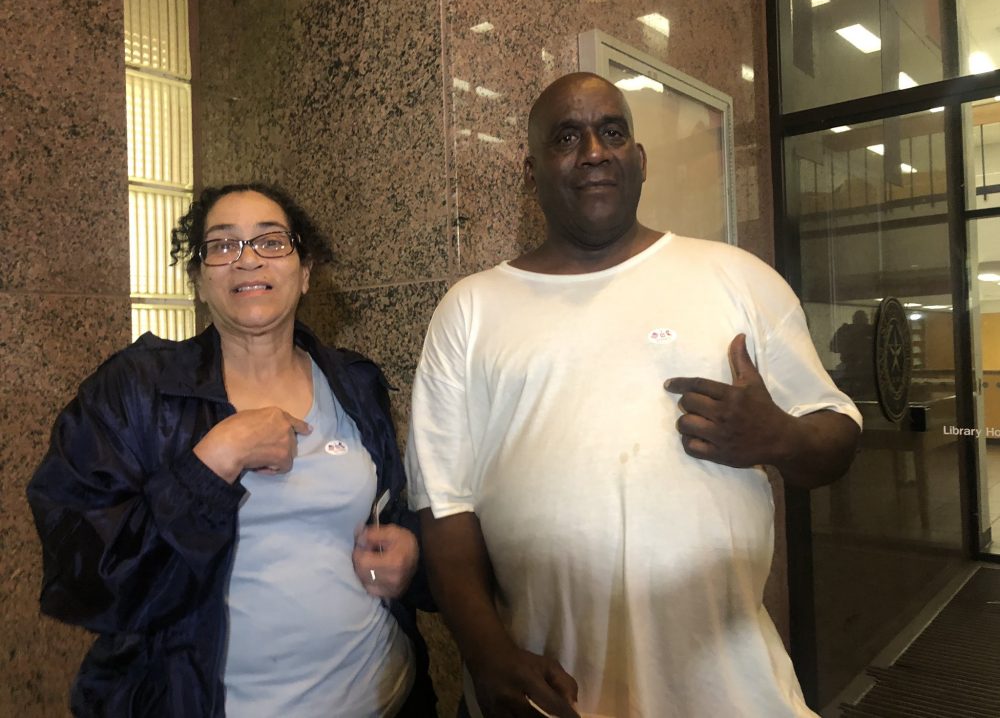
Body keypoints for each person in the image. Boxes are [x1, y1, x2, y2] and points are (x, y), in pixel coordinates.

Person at [405, 73, 862, 718]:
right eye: (568, 137)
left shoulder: (735, 277)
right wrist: (486, 653)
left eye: (611, 132)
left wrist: (778, 437)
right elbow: (444, 509)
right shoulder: (470, 309)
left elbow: (838, 434)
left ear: (639, 160)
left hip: (727, 690)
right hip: (551, 691)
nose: (594, 150)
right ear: (531, 170)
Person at [27, 183, 437, 717]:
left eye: (271, 241)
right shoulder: (134, 391)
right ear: (199, 279)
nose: (246, 260)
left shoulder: (354, 383)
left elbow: (391, 510)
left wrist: (410, 556)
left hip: (386, 696)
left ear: (305, 271)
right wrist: (216, 458)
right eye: (222, 246)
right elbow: (86, 577)